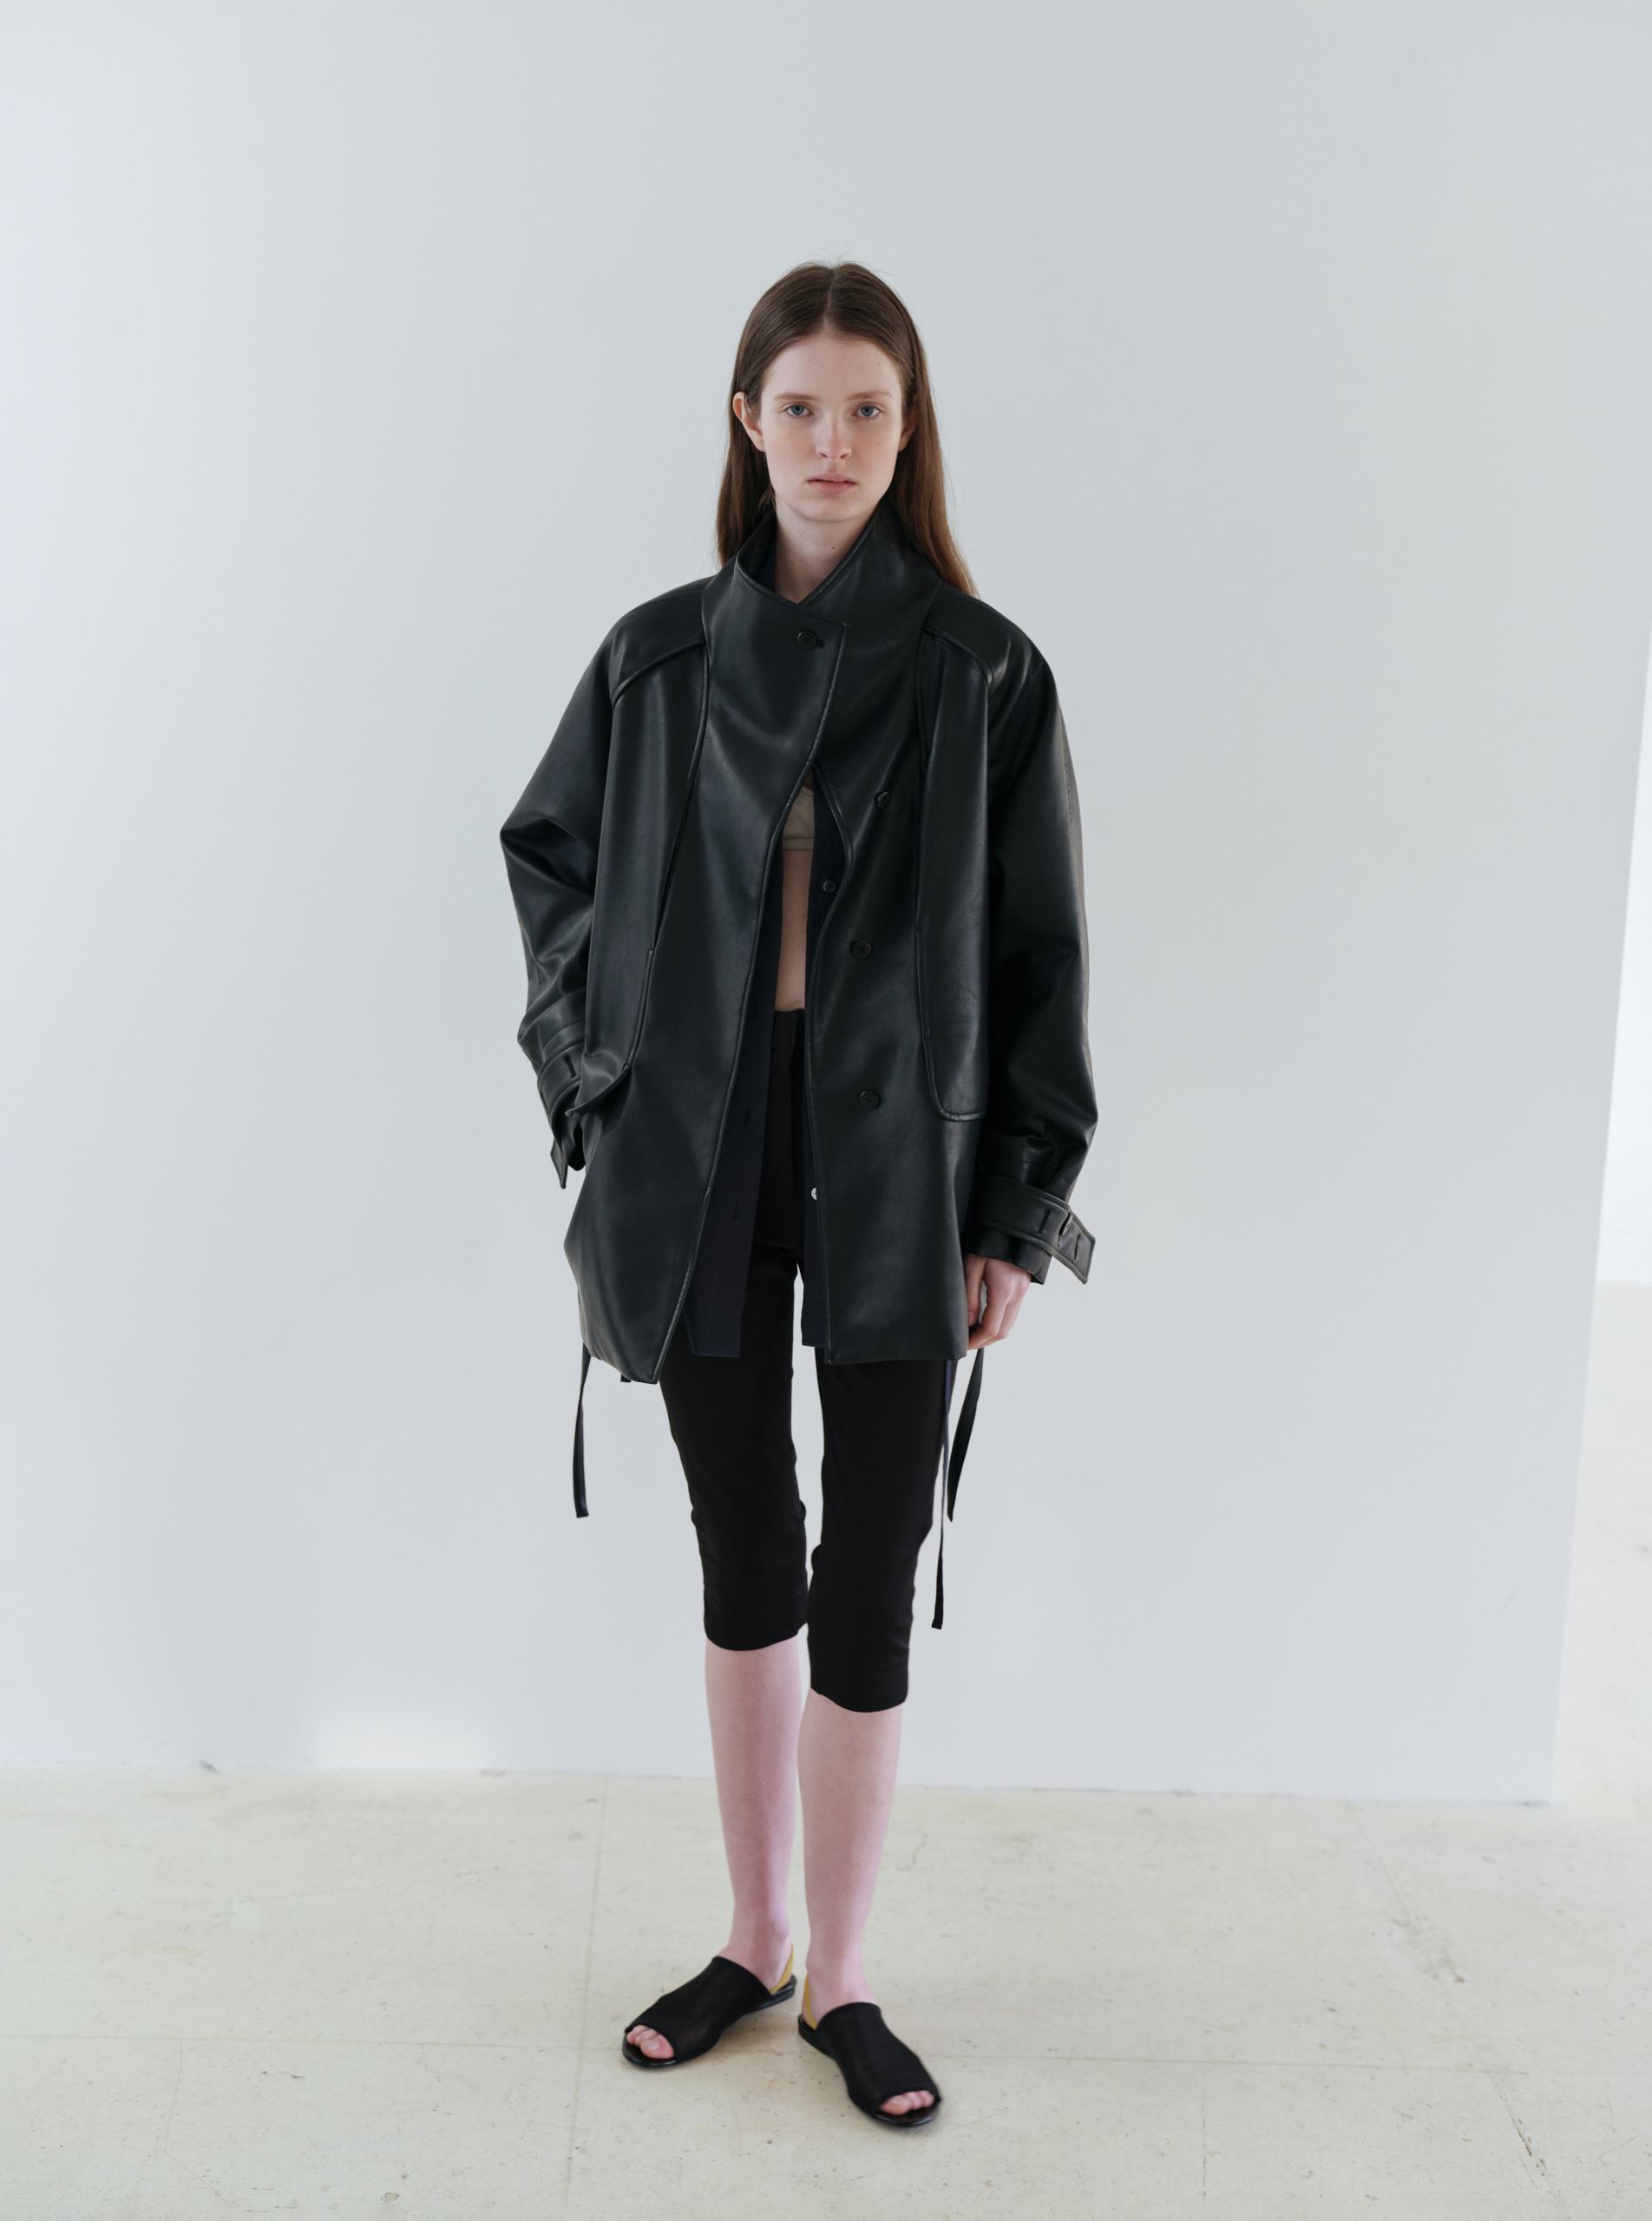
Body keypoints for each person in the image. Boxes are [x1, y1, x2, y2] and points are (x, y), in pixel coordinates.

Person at [500, 260, 1097, 2129]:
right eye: (801, 405)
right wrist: (593, 1078)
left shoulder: (986, 674)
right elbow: (549, 862)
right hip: (698, 1143)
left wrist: (1015, 1208)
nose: (832, 440)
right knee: (745, 1539)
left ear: (909, 433)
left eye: (868, 408)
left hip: (904, 1156)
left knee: (867, 1564)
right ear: (746, 424)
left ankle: (845, 1972)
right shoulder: (657, 658)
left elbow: (1043, 956)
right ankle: (754, 1934)